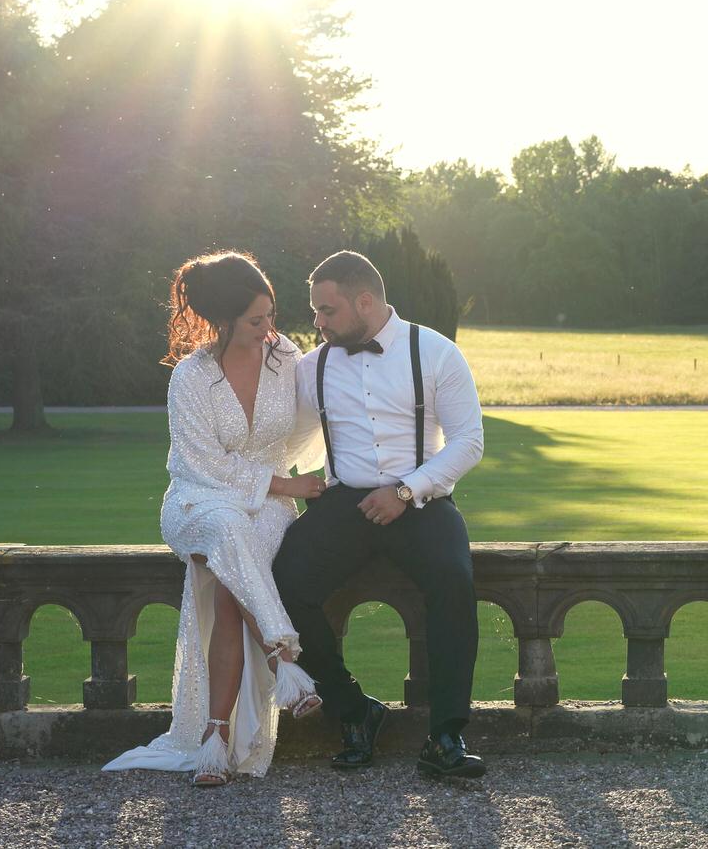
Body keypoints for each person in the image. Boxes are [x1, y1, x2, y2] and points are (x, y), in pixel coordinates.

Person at [105, 251, 327, 786]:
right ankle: (285, 661)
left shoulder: (286, 358)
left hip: (271, 506)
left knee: (230, 590)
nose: (269, 329)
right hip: (197, 502)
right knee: (229, 531)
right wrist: (285, 483)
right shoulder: (190, 377)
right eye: (257, 320)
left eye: (271, 315)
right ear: (224, 320)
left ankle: (215, 740)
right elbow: (203, 463)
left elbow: (315, 418)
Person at [273, 250, 487, 778]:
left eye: (327, 311)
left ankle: (445, 737)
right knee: (281, 583)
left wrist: (407, 491)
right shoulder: (312, 366)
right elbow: (286, 439)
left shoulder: (434, 352)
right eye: (316, 312)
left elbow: (469, 442)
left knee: (454, 583)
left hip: (422, 499)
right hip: (345, 502)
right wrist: (277, 481)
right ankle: (355, 711)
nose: (317, 323)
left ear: (364, 301)